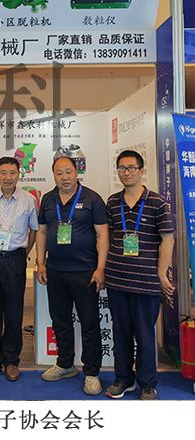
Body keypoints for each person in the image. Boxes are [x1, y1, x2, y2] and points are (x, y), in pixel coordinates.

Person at [104, 150, 175, 400]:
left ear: (141, 170)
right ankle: (123, 379)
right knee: (121, 332)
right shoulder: (112, 202)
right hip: (117, 280)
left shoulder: (157, 202)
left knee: (145, 335)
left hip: (146, 281)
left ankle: (147, 383)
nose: (126, 172)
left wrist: (161, 273)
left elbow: (167, 239)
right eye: (122, 168)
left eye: (131, 168)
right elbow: (107, 237)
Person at [36, 156, 109, 395]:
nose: (64, 177)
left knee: (89, 323)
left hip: (85, 272)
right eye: (59, 173)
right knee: (60, 321)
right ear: (53, 175)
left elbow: (102, 235)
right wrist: (40, 263)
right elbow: (42, 232)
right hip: (55, 271)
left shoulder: (92, 199)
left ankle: (92, 372)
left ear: (76, 173)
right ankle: (65, 364)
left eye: (68, 172)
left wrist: (100, 268)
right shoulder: (48, 199)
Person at [0, 156, 38, 381]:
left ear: (19, 174)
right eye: (3, 172)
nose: (8, 177)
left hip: (15, 260)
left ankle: (11, 360)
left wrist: (21, 253)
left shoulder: (29, 200)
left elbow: (34, 231)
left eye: (12, 173)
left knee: (14, 310)